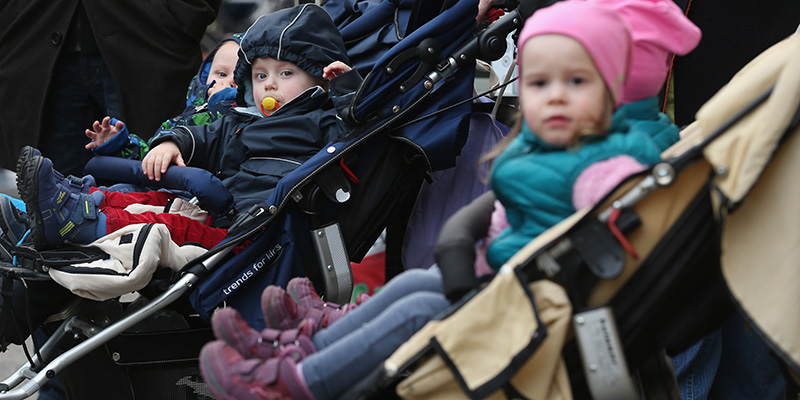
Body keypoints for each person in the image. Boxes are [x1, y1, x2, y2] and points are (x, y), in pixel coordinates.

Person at [196, 1, 694, 399]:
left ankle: (293, 384)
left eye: (577, 82)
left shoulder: (609, 165)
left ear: (621, 86)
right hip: (500, 274)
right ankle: (313, 340)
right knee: (414, 286)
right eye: (539, 83)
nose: (555, 97)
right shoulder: (564, 145)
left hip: (537, 299)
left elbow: (608, 225)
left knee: (419, 310)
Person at [15, 4, 355, 252]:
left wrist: (343, 88)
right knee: (150, 199)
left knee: (165, 227)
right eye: (260, 75)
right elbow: (204, 134)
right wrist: (172, 143)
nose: (268, 86)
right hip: (218, 212)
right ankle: (72, 202)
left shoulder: (323, 118)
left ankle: (81, 221)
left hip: (251, 234)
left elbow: (353, 126)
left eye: (285, 74)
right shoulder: (242, 121)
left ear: (319, 77)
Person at [0, 0, 220, 177]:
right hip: (38, 44)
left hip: (149, 47)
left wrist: (182, 13)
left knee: (154, 183)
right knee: (52, 197)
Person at [84, 34, 244, 161]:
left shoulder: (248, 126)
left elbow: (224, 149)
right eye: (221, 74)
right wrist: (119, 144)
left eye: (240, 78)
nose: (229, 82)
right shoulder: (185, 117)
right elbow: (149, 157)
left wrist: (225, 104)